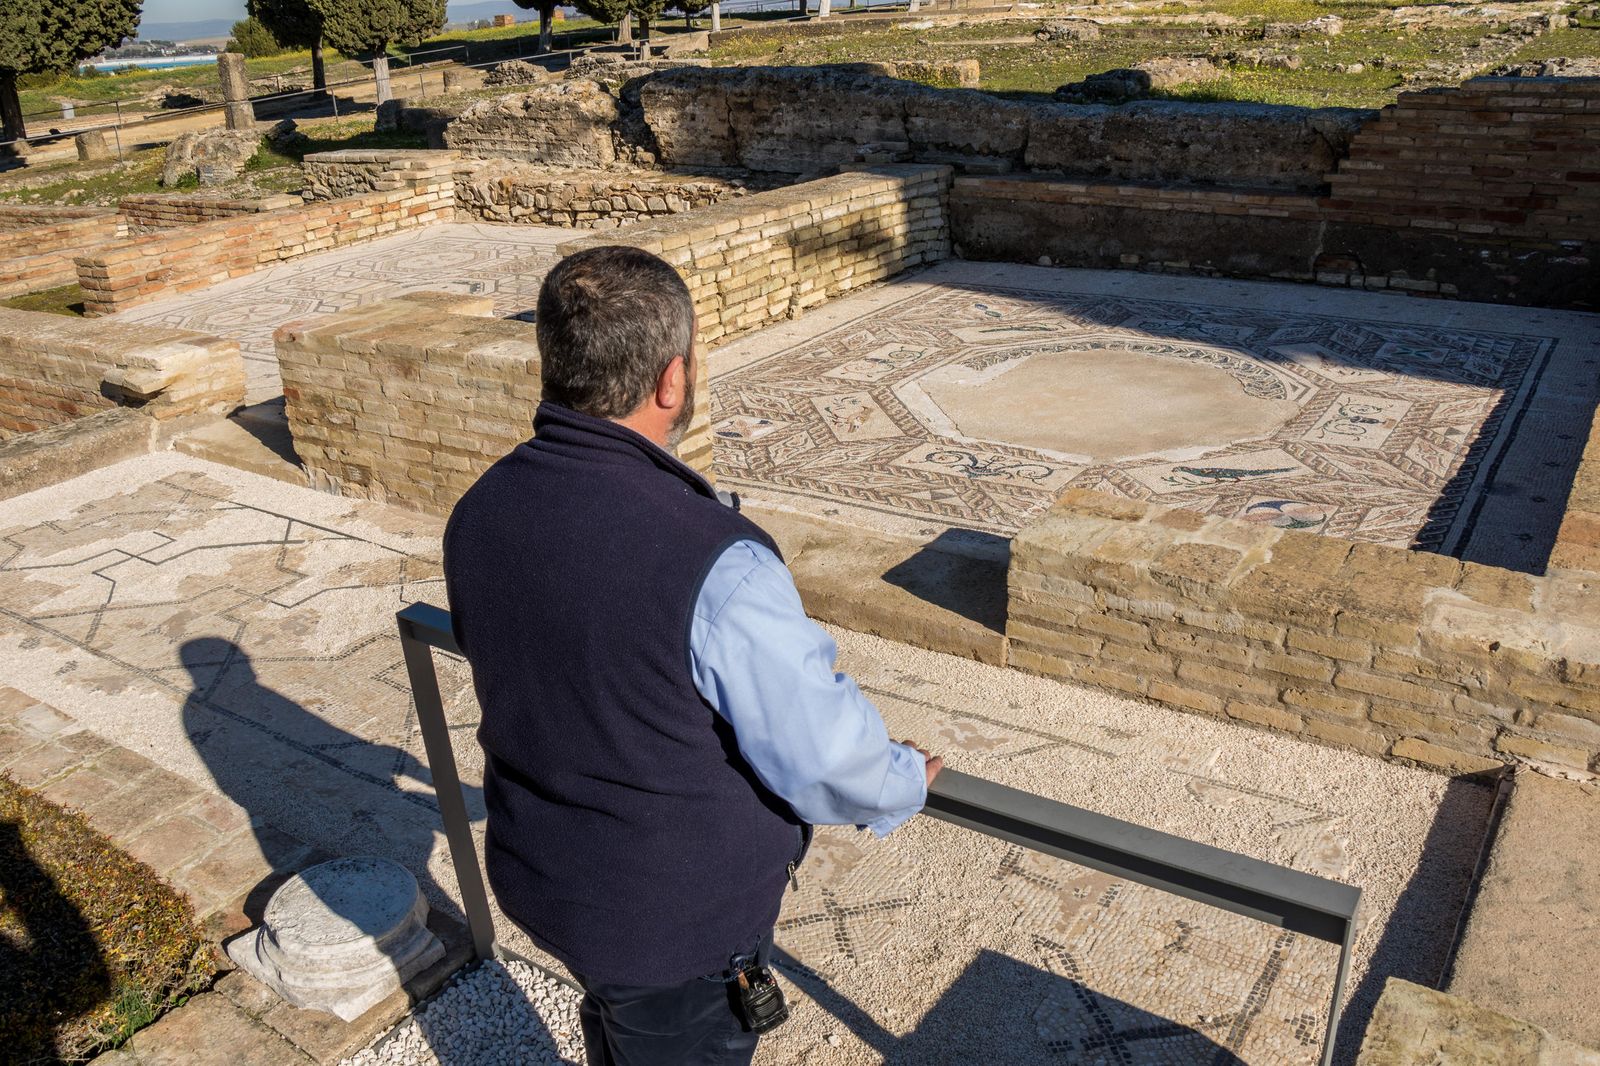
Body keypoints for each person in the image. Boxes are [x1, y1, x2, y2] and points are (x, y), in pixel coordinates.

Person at [442, 246, 943, 1066]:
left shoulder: (481, 507)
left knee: (618, 1024)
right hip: (666, 924)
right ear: (672, 380)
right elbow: (818, 749)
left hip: (544, 874)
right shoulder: (716, 562)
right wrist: (897, 779)